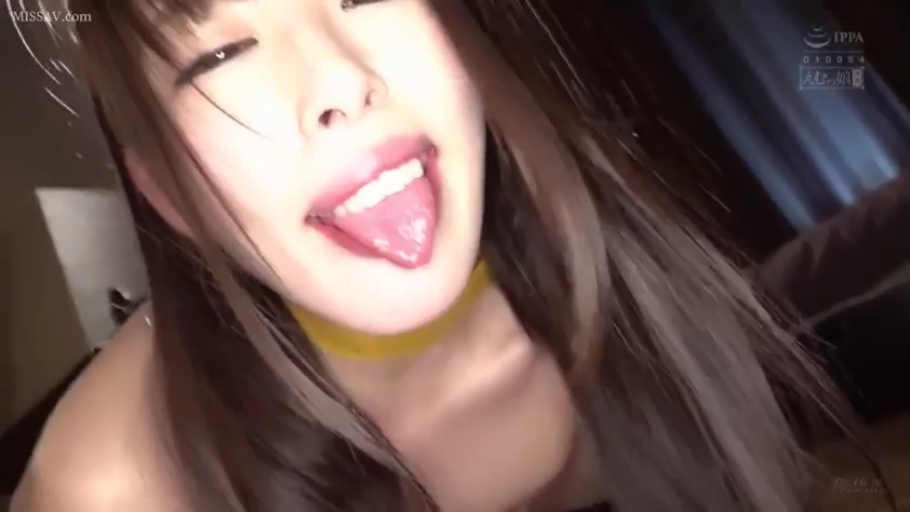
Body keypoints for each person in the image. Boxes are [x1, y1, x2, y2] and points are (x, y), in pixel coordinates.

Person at [11, 1, 853, 511]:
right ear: (163, 192)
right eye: (218, 56)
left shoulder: (632, 275)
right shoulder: (108, 487)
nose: (339, 84)